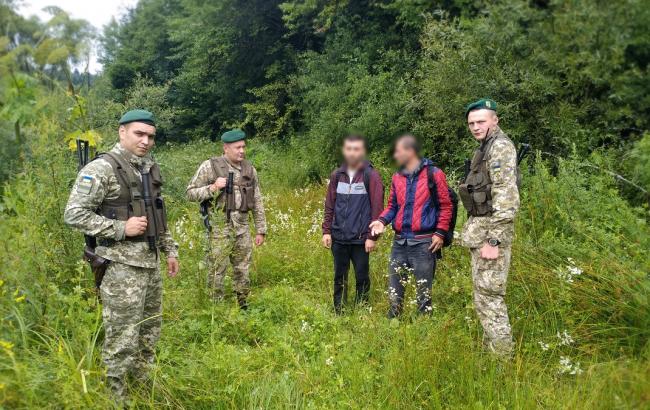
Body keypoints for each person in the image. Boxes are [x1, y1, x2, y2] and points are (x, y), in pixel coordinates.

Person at [64, 109, 179, 399]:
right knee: (122, 339)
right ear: (122, 132)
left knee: (149, 332)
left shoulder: (148, 168)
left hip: (150, 265)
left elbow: (157, 215)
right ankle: (116, 398)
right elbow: (74, 214)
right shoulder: (102, 168)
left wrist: (170, 250)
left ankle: (142, 390)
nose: (145, 141)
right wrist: (119, 228)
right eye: (139, 133)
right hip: (120, 268)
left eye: (150, 136)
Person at [458, 98, 520, 357]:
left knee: (490, 297)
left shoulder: (501, 148)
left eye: (481, 121)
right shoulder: (486, 147)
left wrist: (494, 241)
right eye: (471, 123)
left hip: (490, 237)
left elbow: (506, 196)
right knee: (484, 296)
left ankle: (502, 358)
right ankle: (495, 349)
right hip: (482, 232)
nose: (475, 127)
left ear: (495, 120)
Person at [369, 135, 453, 318]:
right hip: (399, 243)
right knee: (394, 291)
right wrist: (381, 221)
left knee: (424, 291)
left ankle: (423, 325)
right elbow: (392, 206)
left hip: (424, 244)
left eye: (398, 151)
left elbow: (446, 206)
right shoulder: (397, 176)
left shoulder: (434, 174)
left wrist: (440, 233)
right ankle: (393, 324)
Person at [186, 129, 266, 309]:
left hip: (242, 228)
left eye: (243, 147)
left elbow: (257, 200)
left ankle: (243, 305)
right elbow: (190, 193)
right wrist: (212, 188)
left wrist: (261, 229)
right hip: (218, 228)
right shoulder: (210, 166)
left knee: (243, 269)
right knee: (216, 271)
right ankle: (216, 309)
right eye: (237, 147)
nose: (242, 151)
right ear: (226, 148)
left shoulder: (249, 169)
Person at [321, 135, 384, 314]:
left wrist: (372, 237)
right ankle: (338, 309)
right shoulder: (337, 175)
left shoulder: (371, 175)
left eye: (356, 149)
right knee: (339, 276)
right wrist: (326, 231)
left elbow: (377, 209)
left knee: (361, 276)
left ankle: (362, 310)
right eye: (349, 149)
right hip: (338, 237)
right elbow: (330, 205)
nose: (352, 153)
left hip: (361, 238)